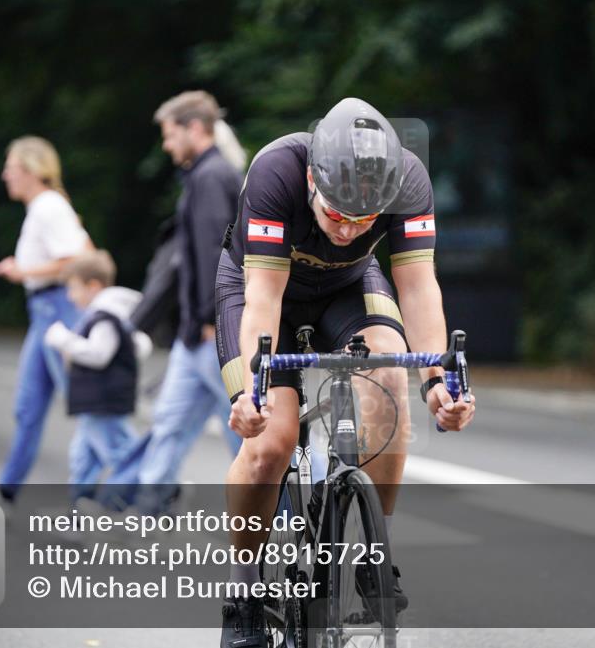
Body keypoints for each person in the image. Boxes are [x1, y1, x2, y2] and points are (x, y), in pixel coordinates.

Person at [215, 98, 476, 646]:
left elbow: (419, 289)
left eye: (365, 219)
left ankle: (369, 556)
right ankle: (243, 595)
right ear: (312, 178)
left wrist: (437, 384)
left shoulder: (407, 179)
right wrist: (252, 393)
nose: (349, 228)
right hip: (261, 288)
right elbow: (263, 299)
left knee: (389, 387)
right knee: (271, 441)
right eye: (337, 213)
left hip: (347, 287)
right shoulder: (276, 170)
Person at [99, 92, 243, 515]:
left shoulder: (212, 178)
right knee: (169, 425)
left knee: (251, 436)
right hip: (195, 336)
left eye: (169, 134)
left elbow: (218, 253)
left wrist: (214, 319)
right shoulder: (204, 176)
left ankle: (292, 521)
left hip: (213, 332)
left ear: (194, 128)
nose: (166, 145)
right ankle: (140, 511)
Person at [0, 136, 91, 502]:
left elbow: (76, 259)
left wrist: (25, 272)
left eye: (11, 167)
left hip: (57, 311)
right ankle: (6, 489)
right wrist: (23, 269)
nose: (5, 175)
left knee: (85, 406)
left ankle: (119, 488)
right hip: (44, 311)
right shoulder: (44, 207)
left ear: (32, 170)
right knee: (28, 406)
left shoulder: (48, 206)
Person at [43, 250, 152, 500]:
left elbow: (99, 354)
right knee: (83, 459)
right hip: (96, 401)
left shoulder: (105, 316)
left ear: (93, 286)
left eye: (73, 289)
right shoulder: (109, 316)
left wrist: (64, 340)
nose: (70, 297)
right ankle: (78, 515)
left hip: (102, 400)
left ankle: (159, 497)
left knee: (122, 455)